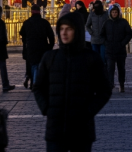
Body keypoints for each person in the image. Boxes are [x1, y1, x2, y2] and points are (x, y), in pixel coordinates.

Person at [34, 13, 112, 152]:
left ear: (77, 31)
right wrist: (46, 108)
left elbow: (104, 90)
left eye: (69, 28)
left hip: (82, 130)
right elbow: (38, 87)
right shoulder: (50, 58)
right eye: (61, 28)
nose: (64, 33)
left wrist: (89, 111)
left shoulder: (91, 58)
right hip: (55, 129)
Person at [19, 6, 55, 90]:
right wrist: (50, 47)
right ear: (40, 12)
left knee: (33, 65)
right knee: (39, 65)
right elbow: (51, 36)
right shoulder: (44, 23)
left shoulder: (27, 22)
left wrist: (25, 45)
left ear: (31, 12)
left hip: (31, 47)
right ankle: (36, 84)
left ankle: (33, 82)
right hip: (43, 46)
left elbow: (22, 34)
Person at [101, 4, 132, 93]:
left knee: (121, 69)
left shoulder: (123, 22)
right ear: (110, 13)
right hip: (110, 50)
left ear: (118, 13)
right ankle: (110, 84)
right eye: (113, 12)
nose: (114, 14)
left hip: (120, 50)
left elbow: (129, 34)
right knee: (110, 69)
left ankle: (121, 84)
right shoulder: (107, 23)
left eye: (116, 12)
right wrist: (106, 43)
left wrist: (122, 43)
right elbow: (102, 35)